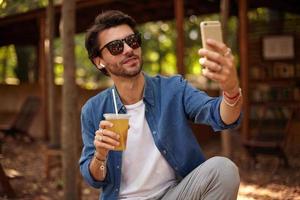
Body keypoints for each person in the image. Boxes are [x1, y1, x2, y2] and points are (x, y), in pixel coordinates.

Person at [79, 10, 242, 200]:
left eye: (132, 40)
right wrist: (100, 155)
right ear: (99, 62)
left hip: (174, 194)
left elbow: (220, 116)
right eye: (116, 47)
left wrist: (231, 90)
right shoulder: (93, 110)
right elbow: (94, 179)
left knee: (224, 170)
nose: (128, 49)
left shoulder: (173, 89)